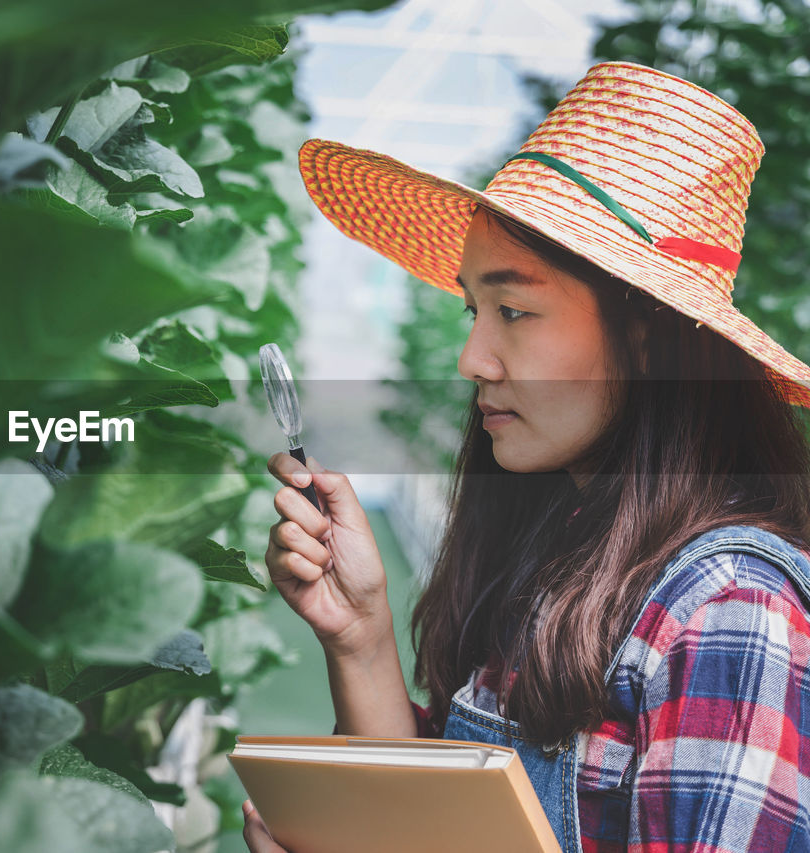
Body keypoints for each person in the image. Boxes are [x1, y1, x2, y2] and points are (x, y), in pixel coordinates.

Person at [243, 61, 810, 853]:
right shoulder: (555, 548)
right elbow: (428, 832)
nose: (473, 356)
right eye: (475, 309)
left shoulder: (727, 610)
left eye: (514, 310)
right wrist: (360, 633)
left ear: (648, 339)